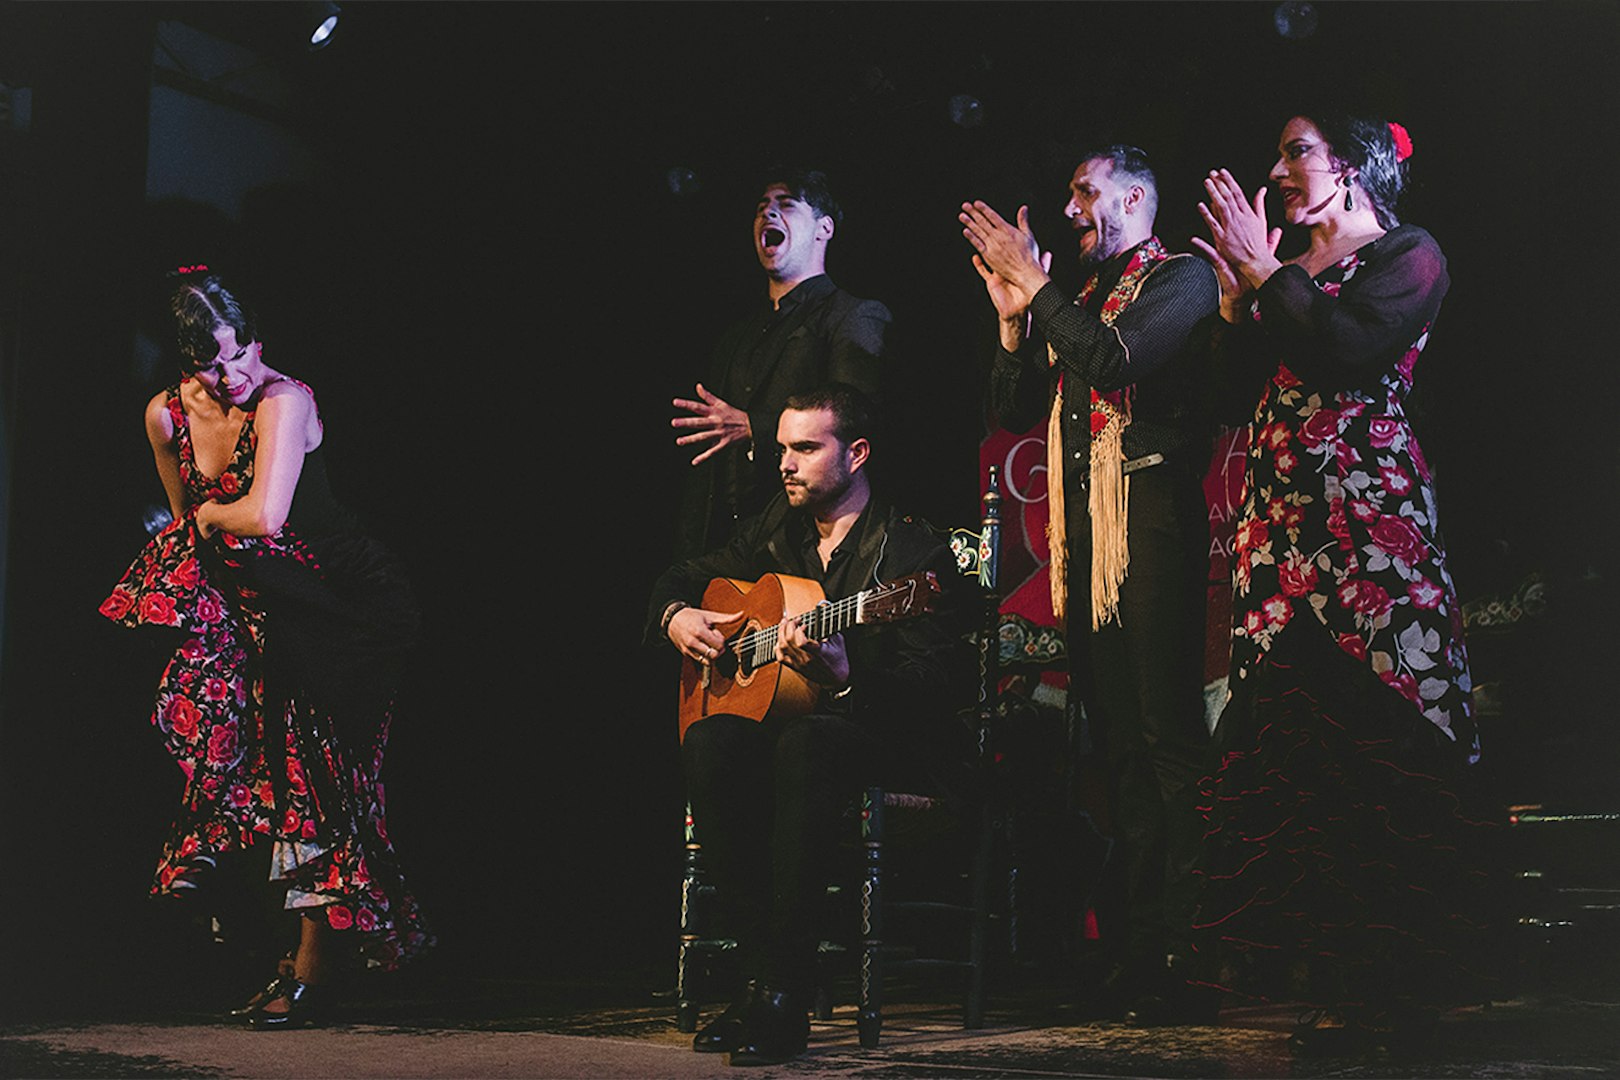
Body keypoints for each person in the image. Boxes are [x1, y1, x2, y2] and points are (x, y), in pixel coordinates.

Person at [1189, 114, 1498, 1051]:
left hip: (1369, 524)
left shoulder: (1408, 252)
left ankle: (1394, 989)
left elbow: (1351, 349)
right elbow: (1226, 393)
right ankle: (1327, 983)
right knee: (1298, 748)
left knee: (1380, 740)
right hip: (1281, 529)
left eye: (1298, 152)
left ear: (1356, 167)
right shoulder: (1284, 274)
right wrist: (1238, 306)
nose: (1279, 170)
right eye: (1278, 153)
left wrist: (1270, 278)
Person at [100, 269, 432, 1027]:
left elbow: (263, 516)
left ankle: (312, 975)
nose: (235, 375)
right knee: (215, 724)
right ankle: (228, 890)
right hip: (260, 604)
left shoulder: (286, 399)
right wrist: (208, 546)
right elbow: (190, 534)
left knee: (321, 776)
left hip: (344, 604)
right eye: (216, 365)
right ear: (187, 367)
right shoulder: (165, 417)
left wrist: (212, 523)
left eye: (243, 353)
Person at [960, 146, 1220, 1024]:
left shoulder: (1180, 278)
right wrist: (1011, 319)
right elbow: (1013, 410)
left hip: (1150, 522)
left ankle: (1200, 947)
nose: (1071, 207)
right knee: (1119, 750)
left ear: (1137, 195)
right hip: (1092, 537)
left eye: (1086, 190)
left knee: (1165, 739)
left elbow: (1112, 363)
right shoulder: (1084, 299)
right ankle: (1145, 952)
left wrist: (1038, 292)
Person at [647, 383, 967, 1065]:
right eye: (782, 447)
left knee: (810, 740)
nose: (783, 463)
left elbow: (938, 689)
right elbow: (685, 573)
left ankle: (784, 993)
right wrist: (676, 614)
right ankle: (755, 980)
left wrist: (847, 676)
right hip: (796, 745)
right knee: (710, 739)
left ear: (857, 452)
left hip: (888, 743)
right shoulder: (776, 531)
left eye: (803, 448)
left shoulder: (911, 560)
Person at [669, 168, 891, 561]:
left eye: (786, 205)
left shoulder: (851, 315)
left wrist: (755, 427)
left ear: (824, 228)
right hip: (727, 548)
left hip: (800, 545)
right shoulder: (736, 337)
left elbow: (859, 415)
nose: (769, 214)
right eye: (762, 207)